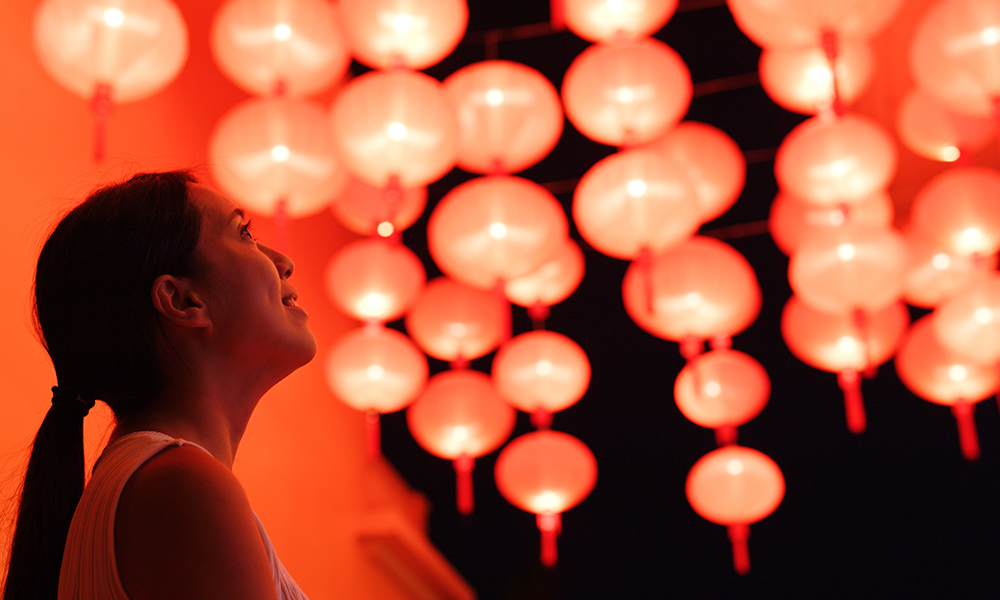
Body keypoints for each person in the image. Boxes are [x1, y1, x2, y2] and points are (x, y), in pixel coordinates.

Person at [2, 171, 317, 600]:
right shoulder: (182, 485)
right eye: (244, 233)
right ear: (184, 301)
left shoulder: (155, 482)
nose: (283, 261)